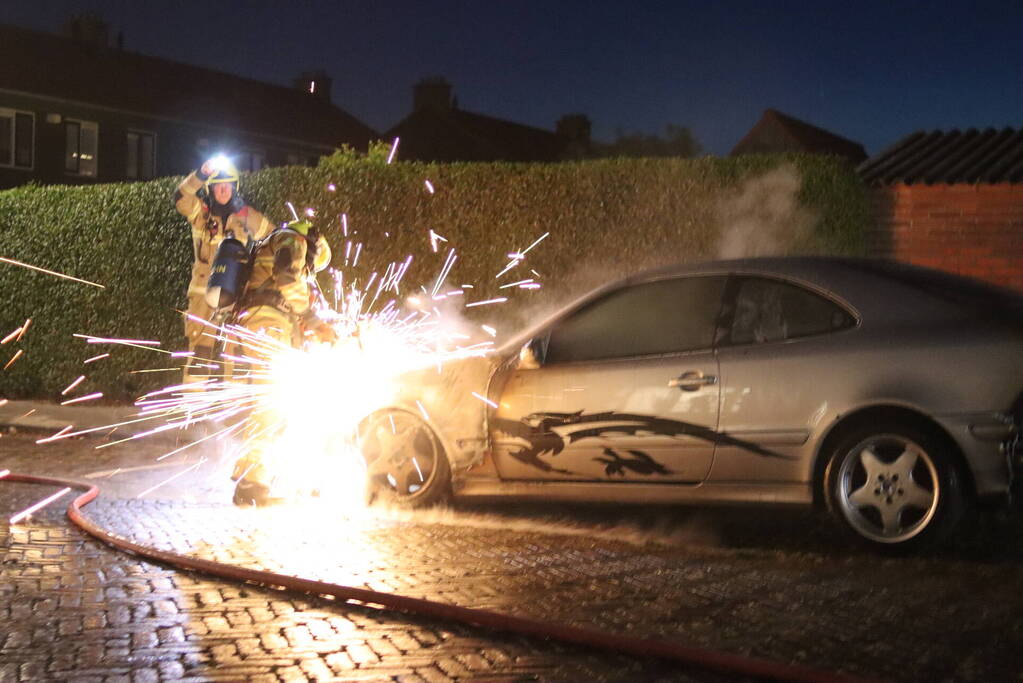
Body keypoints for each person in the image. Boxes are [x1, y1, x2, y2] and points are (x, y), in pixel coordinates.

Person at [229, 217, 335, 505]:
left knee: (278, 403)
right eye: (312, 265)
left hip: (265, 323)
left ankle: (258, 475)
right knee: (274, 403)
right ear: (315, 244)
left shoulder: (277, 242)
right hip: (267, 324)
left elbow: (288, 296)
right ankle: (252, 484)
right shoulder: (293, 240)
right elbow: (288, 279)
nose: (309, 270)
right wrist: (314, 321)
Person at [174, 156, 274, 375]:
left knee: (237, 357)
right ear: (211, 189)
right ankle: (194, 406)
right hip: (203, 296)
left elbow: (274, 237)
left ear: (234, 187)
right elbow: (181, 197)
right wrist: (201, 173)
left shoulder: (246, 216)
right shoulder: (201, 214)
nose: (223, 190)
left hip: (237, 295)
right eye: (218, 186)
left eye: (227, 185)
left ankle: (236, 408)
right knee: (199, 357)